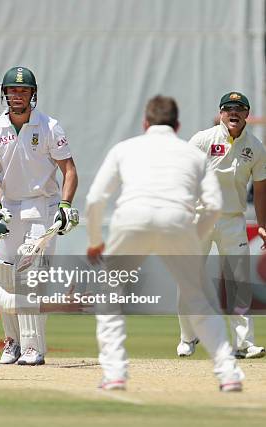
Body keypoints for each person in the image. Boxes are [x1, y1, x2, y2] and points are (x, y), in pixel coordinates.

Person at [85, 95, 244, 392]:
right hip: (177, 221)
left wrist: (95, 241)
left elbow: (95, 199)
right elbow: (213, 205)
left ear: (145, 123)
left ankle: (115, 372)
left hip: (131, 219)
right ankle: (229, 373)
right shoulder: (194, 155)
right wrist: (193, 238)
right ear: (177, 125)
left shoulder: (125, 148)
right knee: (198, 298)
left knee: (109, 295)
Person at [0, 66, 79, 365]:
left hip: (43, 207)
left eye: (23, 90)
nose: (17, 95)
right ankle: (13, 342)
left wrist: (65, 205)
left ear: (33, 94)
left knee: (31, 275)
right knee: (1, 273)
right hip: (9, 208)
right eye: (12, 90)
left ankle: (34, 347)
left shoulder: (49, 127)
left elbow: (69, 170)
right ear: (4, 93)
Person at [177, 92, 266, 359]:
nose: (233, 113)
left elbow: (260, 189)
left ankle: (244, 343)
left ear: (247, 114)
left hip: (233, 220)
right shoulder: (203, 139)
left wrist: (262, 224)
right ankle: (187, 337)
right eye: (228, 109)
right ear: (221, 113)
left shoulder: (256, 147)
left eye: (239, 109)